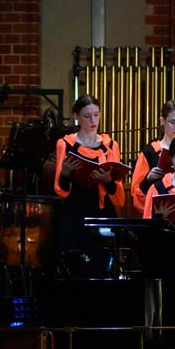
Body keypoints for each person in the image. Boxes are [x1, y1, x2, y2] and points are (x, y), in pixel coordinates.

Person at [54, 94, 126, 274]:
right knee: (75, 265)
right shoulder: (65, 144)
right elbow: (59, 188)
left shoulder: (110, 145)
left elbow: (117, 191)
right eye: (87, 116)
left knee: (103, 265)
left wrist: (107, 180)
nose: (93, 120)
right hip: (74, 211)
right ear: (76, 117)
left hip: (101, 211)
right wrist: (65, 173)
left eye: (96, 114)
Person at [130, 99, 175, 214]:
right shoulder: (149, 152)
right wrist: (148, 179)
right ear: (162, 121)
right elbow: (136, 195)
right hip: (158, 213)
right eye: (172, 122)